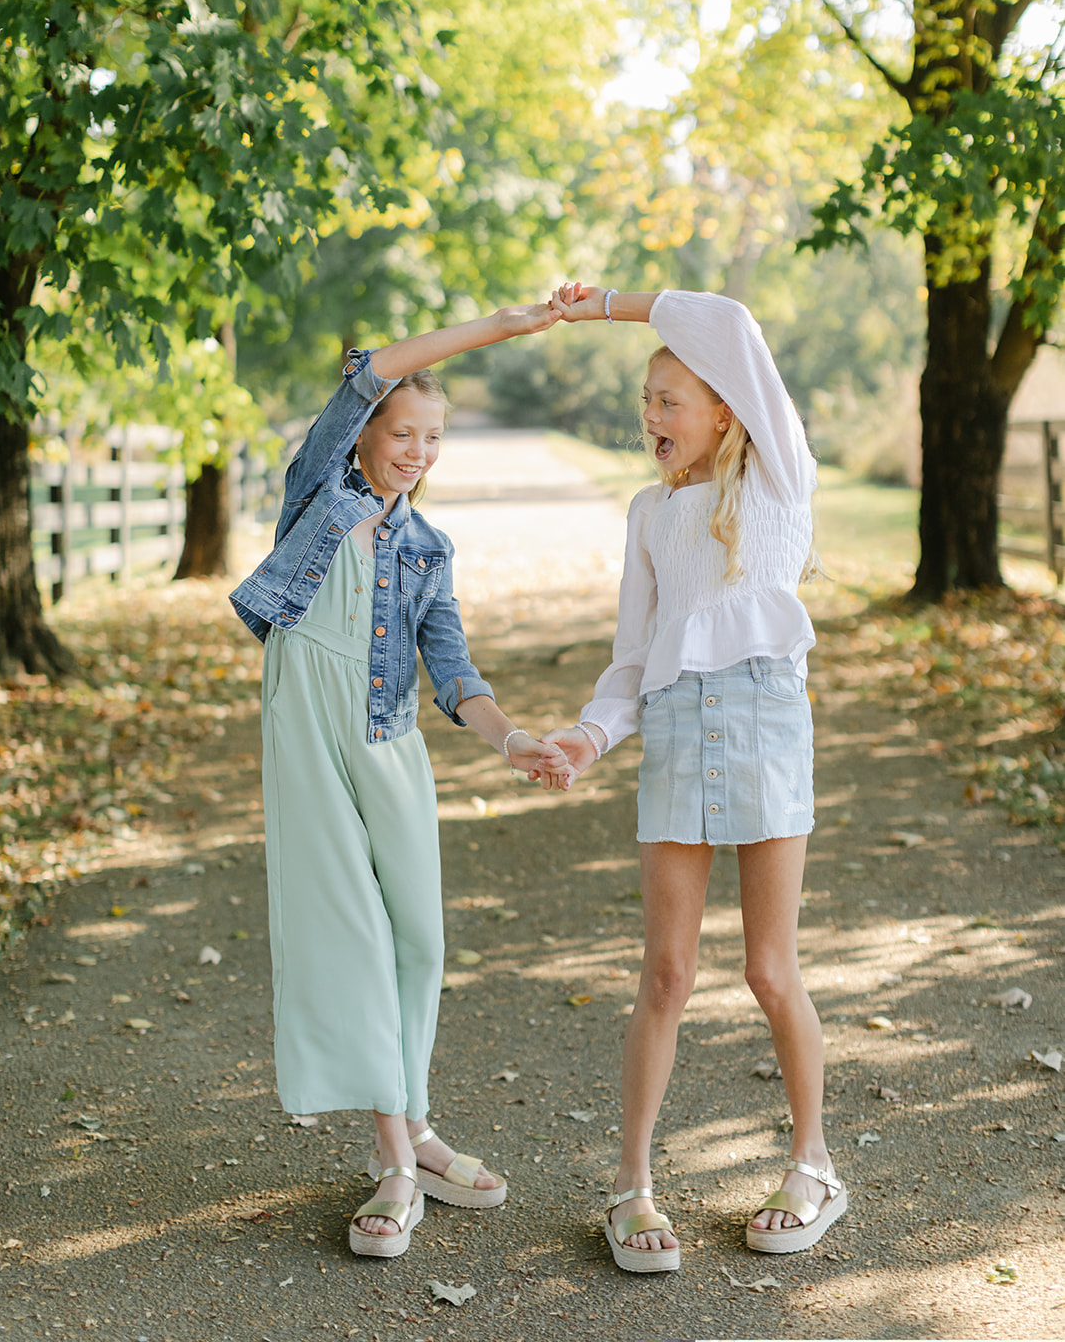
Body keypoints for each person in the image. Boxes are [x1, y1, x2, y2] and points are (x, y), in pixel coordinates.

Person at [230, 303, 570, 1259]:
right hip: (308, 724)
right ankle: (393, 1157)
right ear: (367, 429)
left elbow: (454, 675)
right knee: (352, 932)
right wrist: (497, 328)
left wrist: (515, 743)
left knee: (420, 936)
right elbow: (373, 368)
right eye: (402, 430)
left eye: (433, 438)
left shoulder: (427, 549)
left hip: (387, 736)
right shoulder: (318, 490)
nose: (416, 450)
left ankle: (413, 1125)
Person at [538, 282, 846, 1273]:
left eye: (667, 398)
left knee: (769, 969)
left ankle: (813, 1165)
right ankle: (629, 1188)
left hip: (762, 725)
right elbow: (632, 658)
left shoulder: (775, 485)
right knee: (665, 975)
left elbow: (732, 324)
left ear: (724, 407)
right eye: (643, 401)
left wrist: (610, 305)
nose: (650, 417)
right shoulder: (645, 513)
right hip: (674, 731)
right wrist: (587, 736)